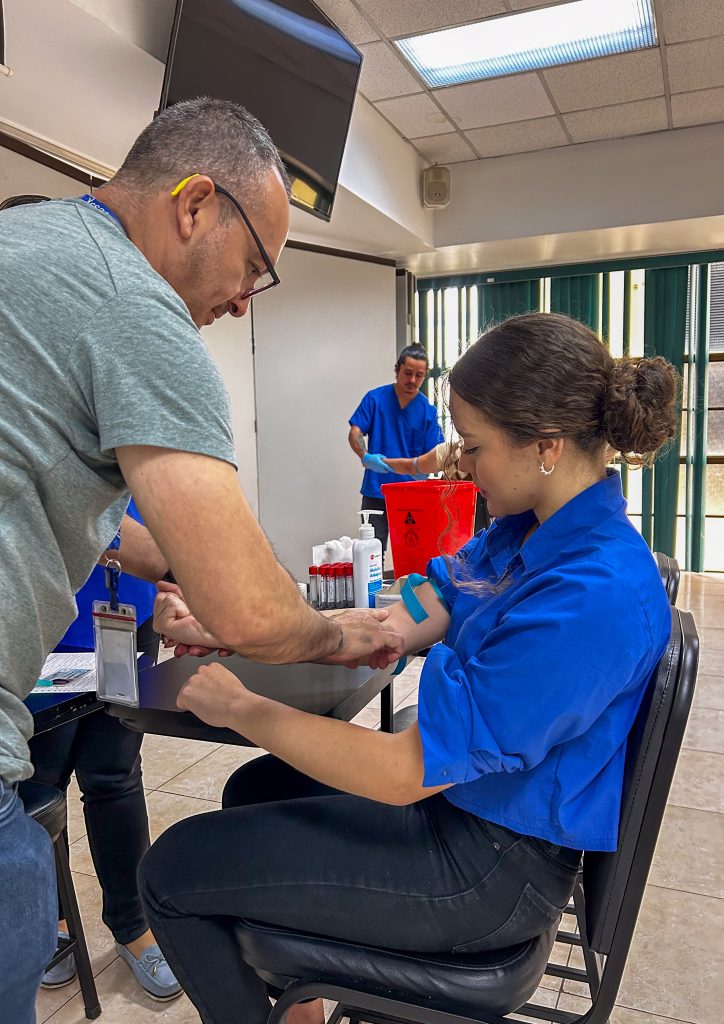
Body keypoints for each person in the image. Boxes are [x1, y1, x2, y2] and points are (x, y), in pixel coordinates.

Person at [138, 311, 678, 1024]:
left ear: (545, 445)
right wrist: (318, 627)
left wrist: (246, 708)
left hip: (487, 868)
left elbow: (400, 773)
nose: (460, 463)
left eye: (475, 447)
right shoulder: (533, 530)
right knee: (257, 787)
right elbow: (444, 589)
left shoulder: (592, 594)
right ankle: (301, 999)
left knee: (172, 871)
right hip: (467, 808)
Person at [0, 97, 401, 1022]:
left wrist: (167, 574)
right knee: (20, 904)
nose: (242, 300)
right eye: (255, 265)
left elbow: (91, 515)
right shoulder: (135, 307)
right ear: (193, 205)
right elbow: (254, 613)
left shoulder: (33, 249)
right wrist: (333, 633)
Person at [30, 499, 182, 1001]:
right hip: (39, 603)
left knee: (115, 771)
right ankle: (49, 920)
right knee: (39, 781)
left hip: (127, 604)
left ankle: (132, 924)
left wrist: (174, 570)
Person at [348, 344, 444, 551]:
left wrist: (423, 469)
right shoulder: (375, 399)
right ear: (397, 370)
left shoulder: (428, 411)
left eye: (419, 375)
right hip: (377, 491)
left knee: (413, 551)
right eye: (408, 373)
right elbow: (355, 432)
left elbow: (436, 453)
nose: (412, 380)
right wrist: (365, 456)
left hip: (412, 494)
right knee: (372, 553)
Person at [383, 440, 491, 533]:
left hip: (452, 528)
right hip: (483, 530)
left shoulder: (449, 451)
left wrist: (382, 462)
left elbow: (410, 467)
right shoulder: (493, 453)